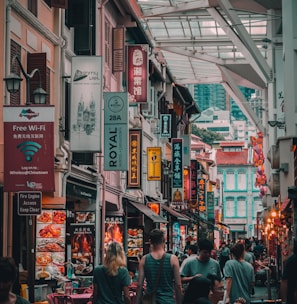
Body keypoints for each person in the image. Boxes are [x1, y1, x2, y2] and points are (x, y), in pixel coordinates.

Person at [135, 229, 182, 304]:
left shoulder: (144, 260)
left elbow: (140, 285)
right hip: (168, 301)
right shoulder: (173, 259)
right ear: (164, 240)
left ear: (150, 241)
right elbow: (178, 285)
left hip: (150, 301)